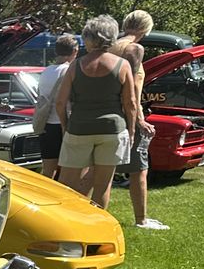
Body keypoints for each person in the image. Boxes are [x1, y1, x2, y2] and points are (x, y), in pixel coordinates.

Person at [54, 14, 141, 209]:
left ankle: (69, 222)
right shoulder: (123, 65)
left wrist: (65, 126)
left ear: (88, 38)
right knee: (103, 186)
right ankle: (97, 225)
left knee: (67, 185)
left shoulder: (76, 65)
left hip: (79, 128)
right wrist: (131, 129)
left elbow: (60, 102)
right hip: (113, 129)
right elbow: (131, 103)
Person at [111, 9, 167, 229]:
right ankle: (141, 219)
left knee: (100, 171)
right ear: (146, 29)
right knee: (139, 169)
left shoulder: (110, 46)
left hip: (108, 113)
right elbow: (132, 89)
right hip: (127, 115)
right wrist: (140, 120)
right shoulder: (134, 49)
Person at [32, 33, 78, 181]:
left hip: (46, 123)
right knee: (66, 170)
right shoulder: (68, 70)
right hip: (62, 122)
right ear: (74, 51)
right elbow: (66, 100)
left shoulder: (46, 71)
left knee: (48, 170)